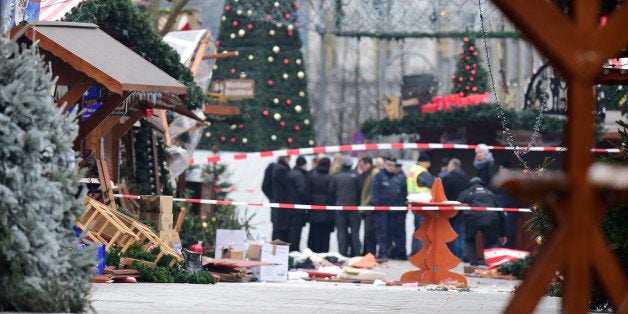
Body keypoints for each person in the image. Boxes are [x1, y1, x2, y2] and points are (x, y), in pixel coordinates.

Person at [457, 177, 506, 266]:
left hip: (472, 219)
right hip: (491, 218)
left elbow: (456, 206)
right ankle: (492, 263)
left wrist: (450, 223)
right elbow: (501, 213)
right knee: (491, 242)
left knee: (470, 239)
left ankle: (474, 263)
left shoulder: (467, 192)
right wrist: (502, 234)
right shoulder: (490, 193)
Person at [371, 157, 407, 259]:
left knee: (391, 233)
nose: (391, 168)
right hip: (381, 210)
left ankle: (389, 252)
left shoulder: (399, 178)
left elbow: (404, 194)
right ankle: (382, 253)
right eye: (389, 165)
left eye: (393, 166)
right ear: (385, 165)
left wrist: (402, 208)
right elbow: (374, 192)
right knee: (381, 232)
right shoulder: (378, 177)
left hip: (395, 211)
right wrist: (377, 205)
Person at [328, 156, 361, 257]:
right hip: (354, 208)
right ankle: (356, 254)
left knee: (341, 232)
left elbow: (331, 192)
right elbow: (360, 191)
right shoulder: (356, 176)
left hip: (340, 208)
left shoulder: (336, 176)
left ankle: (342, 253)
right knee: (355, 232)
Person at [407, 154, 435, 255]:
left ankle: (414, 252)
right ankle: (420, 253)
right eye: (428, 162)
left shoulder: (413, 170)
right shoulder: (422, 171)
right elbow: (433, 182)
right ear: (424, 162)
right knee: (422, 228)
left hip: (415, 202)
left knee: (417, 228)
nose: (429, 165)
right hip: (422, 202)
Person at [442, 158, 470, 260]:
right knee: (461, 233)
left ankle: (452, 256)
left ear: (453, 166)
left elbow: (443, 194)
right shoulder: (466, 178)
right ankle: (461, 256)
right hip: (463, 209)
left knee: (451, 233)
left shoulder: (448, 178)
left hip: (450, 209)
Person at [306, 157, 335, 253]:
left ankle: (312, 253)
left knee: (313, 233)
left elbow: (307, 192)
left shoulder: (311, 175)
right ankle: (323, 254)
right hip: (326, 210)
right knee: (325, 236)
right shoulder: (330, 177)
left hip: (314, 209)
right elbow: (332, 194)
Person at [494, 160, 522, 249]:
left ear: (503, 169)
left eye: (500, 169)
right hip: (506, 210)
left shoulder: (508, 181)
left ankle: (503, 252)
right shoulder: (510, 180)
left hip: (508, 210)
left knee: (506, 233)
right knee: (505, 233)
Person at [270, 154, 295, 243]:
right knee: (281, 231)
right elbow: (288, 187)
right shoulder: (281, 169)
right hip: (282, 204)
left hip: (279, 204)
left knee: (278, 229)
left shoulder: (276, 168)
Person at [358, 155, 378, 256]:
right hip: (366, 206)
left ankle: (370, 253)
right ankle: (367, 252)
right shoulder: (368, 174)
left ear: (368, 164)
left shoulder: (373, 174)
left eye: (362, 165)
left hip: (369, 207)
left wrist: (366, 204)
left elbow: (371, 193)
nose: (361, 167)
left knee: (370, 232)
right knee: (367, 232)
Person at [287, 156, 309, 252]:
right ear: (303, 164)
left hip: (289, 208)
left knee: (291, 231)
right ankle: (294, 251)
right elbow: (302, 191)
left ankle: (291, 250)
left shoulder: (290, 173)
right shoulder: (299, 175)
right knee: (296, 232)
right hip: (298, 208)